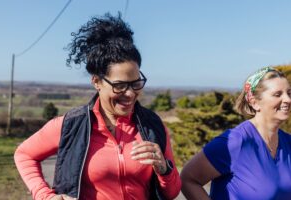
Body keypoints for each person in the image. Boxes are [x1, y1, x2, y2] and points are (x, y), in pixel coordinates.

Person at [14, 13, 181, 200]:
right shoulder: (70, 125)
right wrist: (44, 195)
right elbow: (24, 154)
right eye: (119, 85)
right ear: (97, 82)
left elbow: (172, 193)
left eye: (135, 83)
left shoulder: (153, 125)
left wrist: (164, 169)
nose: (130, 93)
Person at [181, 67, 291, 200]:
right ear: (254, 102)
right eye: (278, 94)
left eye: (289, 93)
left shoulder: (288, 142)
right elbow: (188, 179)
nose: (288, 99)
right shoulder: (234, 142)